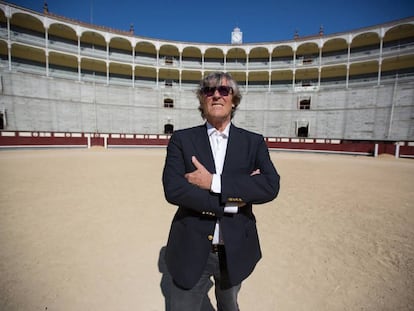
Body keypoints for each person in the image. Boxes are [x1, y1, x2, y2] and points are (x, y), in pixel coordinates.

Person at [162, 71, 280, 311]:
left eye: (224, 90)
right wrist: (235, 199)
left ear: (233, 99)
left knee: (229, 305)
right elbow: (174, 189)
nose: (216, 95)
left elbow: (270, 185)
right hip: (191, 248)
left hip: (235, 248)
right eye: (209, 91)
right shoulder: (181, 139)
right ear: (202, 99)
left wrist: (213, 182)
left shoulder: (253, 142)